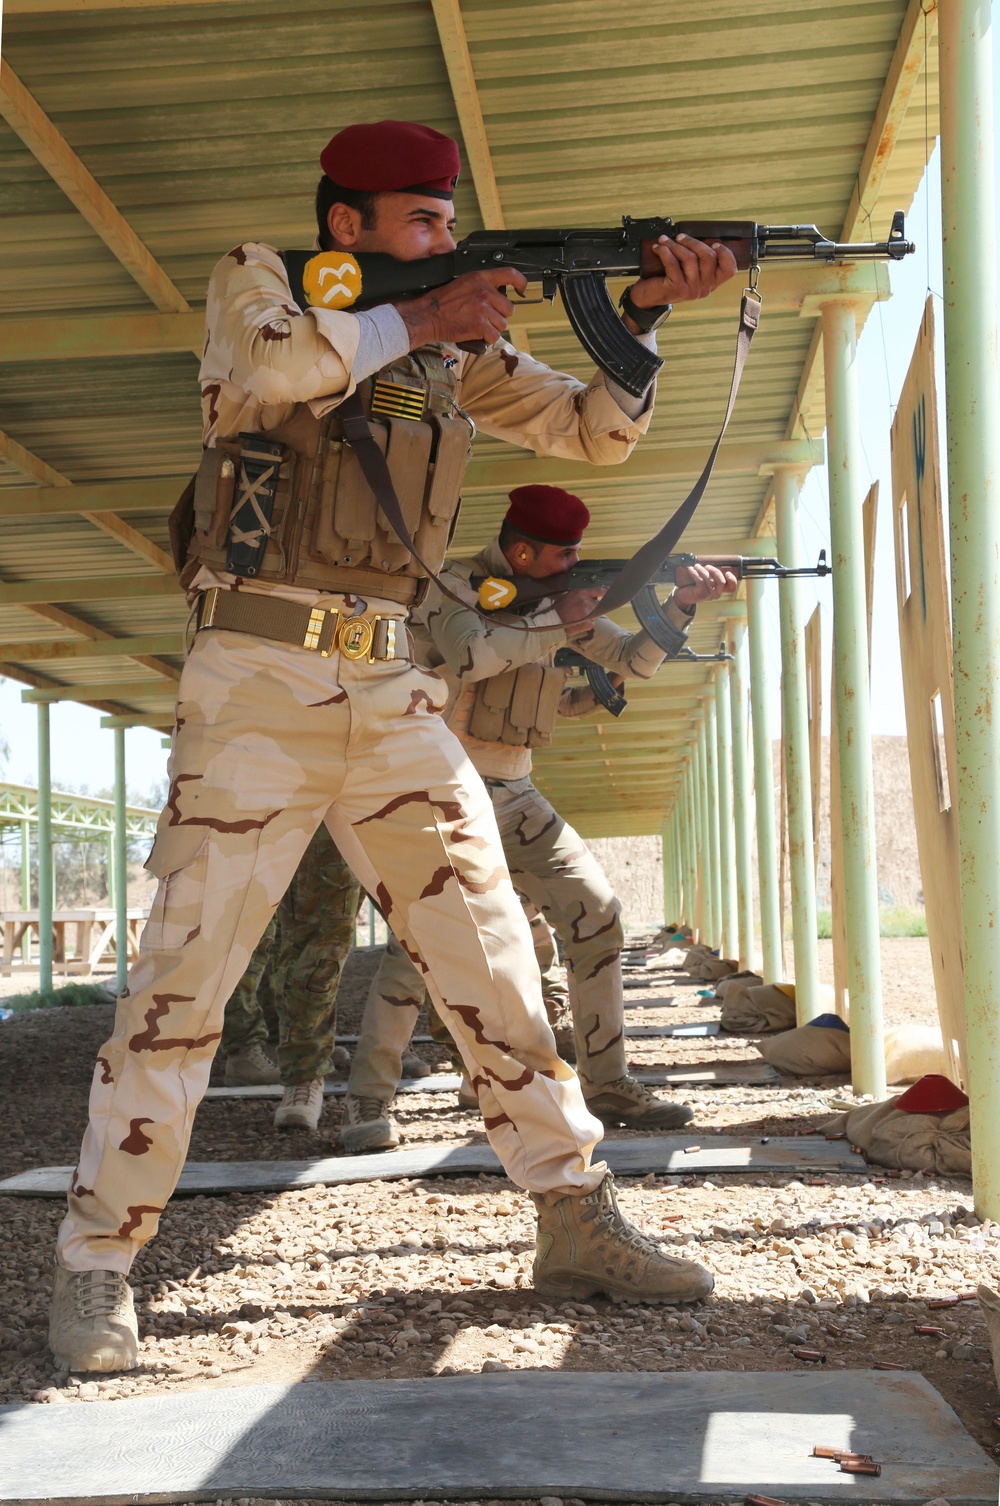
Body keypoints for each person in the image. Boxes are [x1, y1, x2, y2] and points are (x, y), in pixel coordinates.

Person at [48, 118, 737, 1373]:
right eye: (417, 221)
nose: (440, 239)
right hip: (255, 676)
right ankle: (97, 1265)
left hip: (393, 680)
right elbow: (264, 373)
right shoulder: (261, 279)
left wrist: (639, 315)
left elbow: (592, 432)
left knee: (491, 958)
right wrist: (430, 319)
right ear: (347, 227)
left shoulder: (455, 344)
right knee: (182, 984)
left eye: (443, 219)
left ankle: (572, 1216)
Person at [339, 486, 736, 1153]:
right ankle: (367, 1102)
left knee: (596, 913)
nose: (569, 573)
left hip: (517, 791)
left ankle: (607, 1081)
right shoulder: (453, 586)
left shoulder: (556, 600)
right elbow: (471, 656)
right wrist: (559, 622)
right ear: (521, 551)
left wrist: (681, 607)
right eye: (561, 559)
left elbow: (632, 662)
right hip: (440, 785)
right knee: (418, 947)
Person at [220, 826, 429, 1127]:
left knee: (422, 931)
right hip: (324, 800)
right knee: (318, 944)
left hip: (394, 797)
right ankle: (305, 1075)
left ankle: (395, 1057)